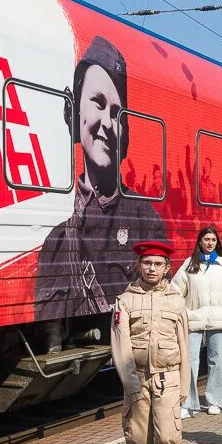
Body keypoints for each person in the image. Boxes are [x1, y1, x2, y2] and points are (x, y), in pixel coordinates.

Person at [35, 35, 166, 326]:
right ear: (76, 111)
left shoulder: (146, 220)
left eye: (118, 114)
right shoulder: (55, 240)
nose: (107, 123)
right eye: (97, 103)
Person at [110, 240, 199, 444]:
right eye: (147, 263)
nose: (152, 268)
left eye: (158, 264)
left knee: (168, 437)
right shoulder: (124, 300)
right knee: (138, 438)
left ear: (166, 268)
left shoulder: (176, 300)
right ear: (139, 265)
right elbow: (120, 345)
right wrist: (132, 386)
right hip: (137, 380)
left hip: (168, 378)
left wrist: (185, 386)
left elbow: (184, 344)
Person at [171, 227, 222, 417]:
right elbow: (175, 290)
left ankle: (215, 401)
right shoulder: (189, 264)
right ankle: (188, 404)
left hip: (217, 321)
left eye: (213, 240)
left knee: (216, 361)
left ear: (217, 243)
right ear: (199, 242)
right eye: (206, 239)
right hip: (193, 320)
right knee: (189, 362)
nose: (210, 243)